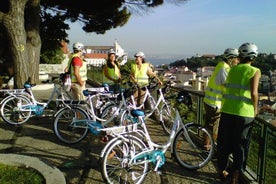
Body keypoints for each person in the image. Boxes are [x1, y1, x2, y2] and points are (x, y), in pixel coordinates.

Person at [217, 43, 261, 184]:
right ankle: (236, 175)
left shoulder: (233, 69)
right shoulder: (254, 71)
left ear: (240, 56)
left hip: (227, 110)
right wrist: (255, 109)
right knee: (240, 145)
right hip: (244, 113)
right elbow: (254, 93)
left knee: (224, 143)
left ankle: (221, 170)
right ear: (253, 56)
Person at [203, 48, 239, 146]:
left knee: (208, 125)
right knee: (215, 128)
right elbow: (227, 88)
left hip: (209, 101)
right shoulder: (225, 69)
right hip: (215, 104)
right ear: (231, 58)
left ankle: (206, 146)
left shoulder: (220, 65)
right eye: (237, 58)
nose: (238, 61)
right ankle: (211, 148)